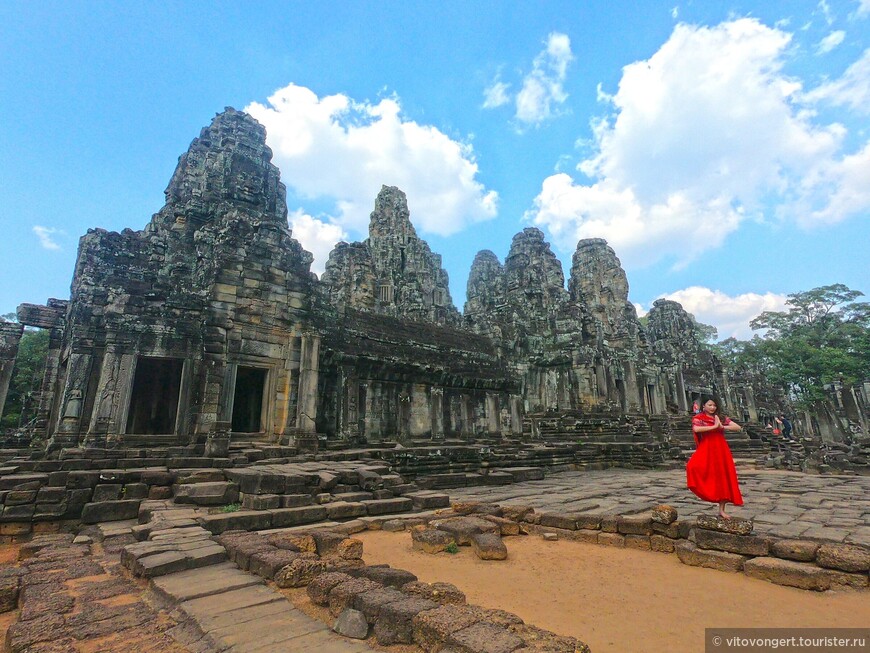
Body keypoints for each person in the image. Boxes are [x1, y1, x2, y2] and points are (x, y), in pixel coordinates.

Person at [686, 398, 744, 519]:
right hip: (706, 447)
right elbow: (696, 429)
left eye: (714, 405)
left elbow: (737, 427)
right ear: (704, 406)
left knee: (722, 477)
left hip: (720, 449)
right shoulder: (699, 418)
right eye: (710, 405)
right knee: (692, 466)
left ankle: (722, 510)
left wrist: (722, 426)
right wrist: (714, 427)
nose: (712, 407)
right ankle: (705, 491)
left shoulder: (721, 418)